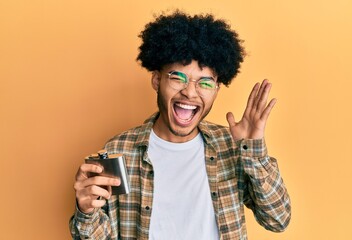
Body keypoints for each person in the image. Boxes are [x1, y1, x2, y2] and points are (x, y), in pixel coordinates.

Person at [69, 10, 291, 240]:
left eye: (205, 82)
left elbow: (278, 219)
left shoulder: (232, 146)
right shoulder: (120, 150)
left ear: (216, 89)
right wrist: (86, 212)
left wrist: (254, 151)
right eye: (178, 78)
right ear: (157, 80)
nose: (190, 92)